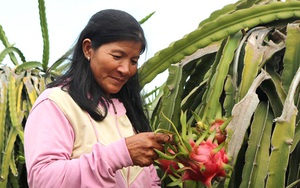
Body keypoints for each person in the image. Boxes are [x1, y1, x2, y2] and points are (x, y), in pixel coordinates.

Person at [24, 9, 171, 188]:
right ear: (88, 49)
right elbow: (42, 180)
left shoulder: (128, 114)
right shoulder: (56, 103)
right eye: (117, 56)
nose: (126, 69)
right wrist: (120, 154)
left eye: (134, 61)